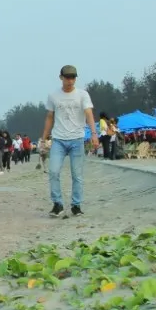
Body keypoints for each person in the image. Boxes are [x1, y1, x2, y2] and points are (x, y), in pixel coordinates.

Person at [41, 65, 100, 218]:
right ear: (61, 77)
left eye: (73, 77)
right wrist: (44, 137)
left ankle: (76, 205)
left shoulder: (82, 95)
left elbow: (89, 114)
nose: (70, 80)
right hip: (59, 139)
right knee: (53, 171)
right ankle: (57, 203)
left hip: (77, 139)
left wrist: (94, 134)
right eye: (67, 77)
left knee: (77, 175)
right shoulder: (53, 96)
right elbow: (49, 117)